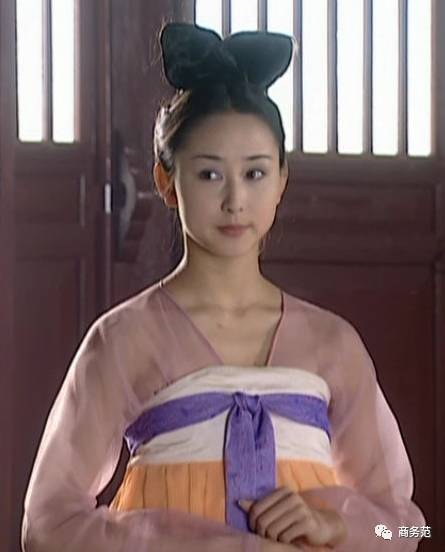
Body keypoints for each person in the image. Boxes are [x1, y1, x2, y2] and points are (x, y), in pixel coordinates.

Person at [21, 22, 425, 552]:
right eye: (209, 175)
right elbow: (46, 527)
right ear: (167, 182)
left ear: (282, 180)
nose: (235, 201)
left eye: (255, 174)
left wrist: (335, 525)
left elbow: (410, 529)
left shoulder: (334, 345)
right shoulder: (122, 339)